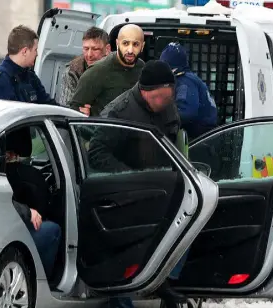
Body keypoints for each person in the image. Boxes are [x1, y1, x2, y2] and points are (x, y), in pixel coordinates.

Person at [89, 60, 189, 308]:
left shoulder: (167, 106)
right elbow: (96, 153)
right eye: (158, 97)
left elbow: (175, 142)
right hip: (125, 194)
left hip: (161, 187)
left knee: (185, 229)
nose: (164, 102)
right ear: (144, 91)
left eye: (169, 97)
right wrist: (129, 177)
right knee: (127, 251)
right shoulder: (119, 113)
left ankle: (166, 285)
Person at [5, 127, 61, 280]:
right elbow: (42, 210)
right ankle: (41, 282)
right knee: (52, 230)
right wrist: (29, 212)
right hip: (8, 235)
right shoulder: (31, 177)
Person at [69, 24, 146, 117]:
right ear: (117, 43)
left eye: (135, 44)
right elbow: (75, 108)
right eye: (125, 43)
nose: (130, 50)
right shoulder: (97, 71)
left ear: (142, 46)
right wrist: (85, 117)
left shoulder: (143, 69)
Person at [0, 25, 56, 105]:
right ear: (25, 51)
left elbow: (48, 105)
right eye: (35, 50)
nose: (37, 54)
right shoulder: (0, 79)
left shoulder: (31, 78)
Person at [160, 42, 217, 139]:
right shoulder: (191, 78)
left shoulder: (184, 82)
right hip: (207, 134)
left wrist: (162, 119)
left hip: (200, 137)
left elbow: (185, 113)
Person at [56, 27, 111, 106]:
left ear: (107, 49)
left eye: (95, 49)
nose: (89, 55)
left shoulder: (119, 67)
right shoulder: (72, 72)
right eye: (86, 49)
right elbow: (67, 107)